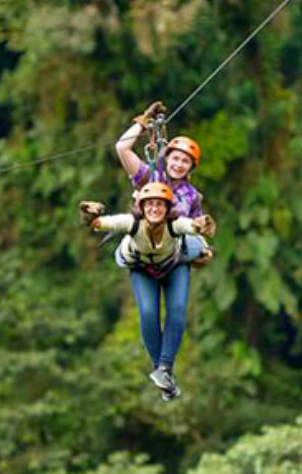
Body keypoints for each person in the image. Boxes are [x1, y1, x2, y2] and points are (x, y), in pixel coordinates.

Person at [80, 183, 216, 401]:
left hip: (172, 264)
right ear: (141, 207)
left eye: (160, 205)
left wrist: (202, 226)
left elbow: (193, 226)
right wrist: (89, 215)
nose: (154, 209)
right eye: (150, 205)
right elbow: (102, 224)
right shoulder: (132, 222)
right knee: (148, 312)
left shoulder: (175, 224)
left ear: (167, 208)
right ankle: (161, 372)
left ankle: (165, 369)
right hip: (141, 267)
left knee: (178, 310)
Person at [115, 101, 214, 269]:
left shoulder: (193, 196)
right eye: (175, 158)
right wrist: (144, 122)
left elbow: (196, 228)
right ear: (167, 158)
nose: (179, 165)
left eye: (185, 161)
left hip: (174, 257)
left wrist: (204, 250)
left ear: (191, 167)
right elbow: (122, 148)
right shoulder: (150, 176)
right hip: (145, 251)